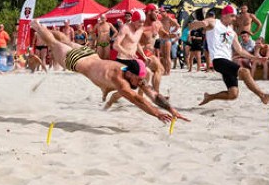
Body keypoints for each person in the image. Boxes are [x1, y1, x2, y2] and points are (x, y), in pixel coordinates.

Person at [30, 19, 186, 123]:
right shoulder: (119, 79)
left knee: (65, 40)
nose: (140, 83)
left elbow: (153, 94)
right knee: (53, 43)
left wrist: (171, 109)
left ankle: (45, 28)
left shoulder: (127, 69)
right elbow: (138, 100)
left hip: (90, 54)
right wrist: (157, 114)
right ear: (131, 73)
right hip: (75, 60)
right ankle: (36, 25)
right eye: (138, 80)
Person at [189, 6, 269, 107]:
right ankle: (263, 96)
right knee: (244, 71)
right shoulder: (215, 22)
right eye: (232, 16)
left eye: (235, 16)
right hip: (218, 60)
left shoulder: (232, 33)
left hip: (227, 61)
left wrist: (255, 58)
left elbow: (240, 50)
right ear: (224, 15)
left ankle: (210, 97)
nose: (234, 18)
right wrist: (197, 24)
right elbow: (205, 23)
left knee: (233, 94)